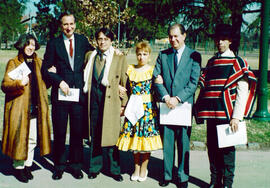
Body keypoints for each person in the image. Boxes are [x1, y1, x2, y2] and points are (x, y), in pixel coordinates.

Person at [195, 24, 256, 188]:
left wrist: (236, 117)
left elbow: (242, 91)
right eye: (217, 39)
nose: (219, 42)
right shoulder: (211, 61)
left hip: (228, 116)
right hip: (211, 115)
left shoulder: (237, 62)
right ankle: (215, 181)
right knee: (212, 149)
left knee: (227, 152)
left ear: (230, 41)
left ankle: (227, 183)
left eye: (223, 39)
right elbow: (204, 87)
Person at [41, 12, 94, 180]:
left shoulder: (82, 40)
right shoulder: (53, 43)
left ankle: (76, 165)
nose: (68, 27)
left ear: (75, 24)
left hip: (78, 94)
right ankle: (59, 166)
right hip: (61, 94)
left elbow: (96, 56)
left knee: (78, 132)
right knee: (60, 131)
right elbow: (45, 68)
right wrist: (58, 80)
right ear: (61, 26)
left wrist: (116, 53)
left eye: (71, 24)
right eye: (65, 24)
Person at [153, 23, 201, 188]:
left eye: (176, 36)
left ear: (184, 36)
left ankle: (182, 177)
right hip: (167, 106)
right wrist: (166, 97)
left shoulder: (194, 55)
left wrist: (177, 99)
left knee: (183, 143)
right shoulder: (163, 55)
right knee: (167, 144)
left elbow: (194, 83)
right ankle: (167, 175)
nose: (173, 39)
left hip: (183, 107)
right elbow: (156, 77)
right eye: (170, 36)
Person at [1, 34, 51, 183]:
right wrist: (18, 83)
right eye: (27, 44)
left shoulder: (39, 63)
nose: (30, 47)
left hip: (36, 107)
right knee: (20, 139)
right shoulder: (14, 63)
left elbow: (44, 85)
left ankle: (28, 165)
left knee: (32, 139)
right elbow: (4, 85)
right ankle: (18, 167)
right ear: (22, 45)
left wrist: (50, 75)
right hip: (19, 109)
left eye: (33, 44)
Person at [83, 28, 128, 182]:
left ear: (111, 41)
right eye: (100, 39)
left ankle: (115, 170)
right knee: (95, 135)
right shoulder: (90, 56)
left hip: (111, 101)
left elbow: (124, 81)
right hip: (94, 99)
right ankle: (94, 167)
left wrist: (123, 104)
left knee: (112, 136)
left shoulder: (119, 57)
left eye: (105, 39)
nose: (102, 42)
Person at [116, 41, 163, 182]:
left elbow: (159, 88)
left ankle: (144, 168)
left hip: (148, 109)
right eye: (139, 54)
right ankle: (136, 168)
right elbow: (121, 82)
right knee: (135, 140)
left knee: (145, 141)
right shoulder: (130, 69)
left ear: (149, 56)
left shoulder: (152, 70)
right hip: (133, 108)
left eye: (145, 54)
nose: (141, 57)